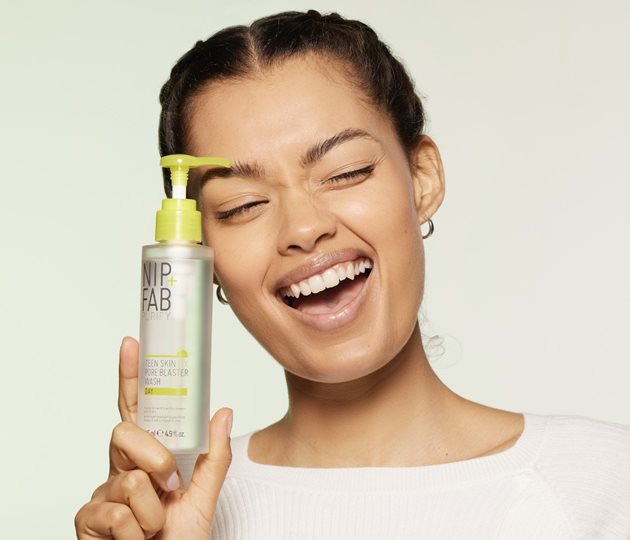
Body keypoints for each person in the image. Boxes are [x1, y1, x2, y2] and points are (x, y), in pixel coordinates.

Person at [75, 10, 630, 540]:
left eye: (346, 172)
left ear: (423, 178)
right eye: (242, 205)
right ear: (201, 253)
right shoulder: (176, 508)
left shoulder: (601, 483)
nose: (304, 228)